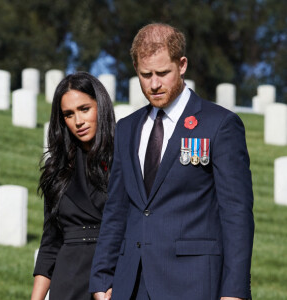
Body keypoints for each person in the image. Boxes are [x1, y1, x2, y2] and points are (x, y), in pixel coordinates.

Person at [89, 23, 254, 300]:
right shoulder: (127, 128)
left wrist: (234, 291)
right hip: (130, 285)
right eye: (145, 75)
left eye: (163, 73)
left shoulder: (220, 125)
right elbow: (116, 209)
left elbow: (236, 214)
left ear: (182, 65)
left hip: (194, 283)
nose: (154, 84)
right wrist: (101, 278)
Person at [31, 71, 115, 300]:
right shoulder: (57, 170)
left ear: (101, 105)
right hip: (68, 280)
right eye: (68, 114)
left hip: (113, 275)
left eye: (84, 109)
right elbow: (50, 242)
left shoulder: (126, 159)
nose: (78, 121)